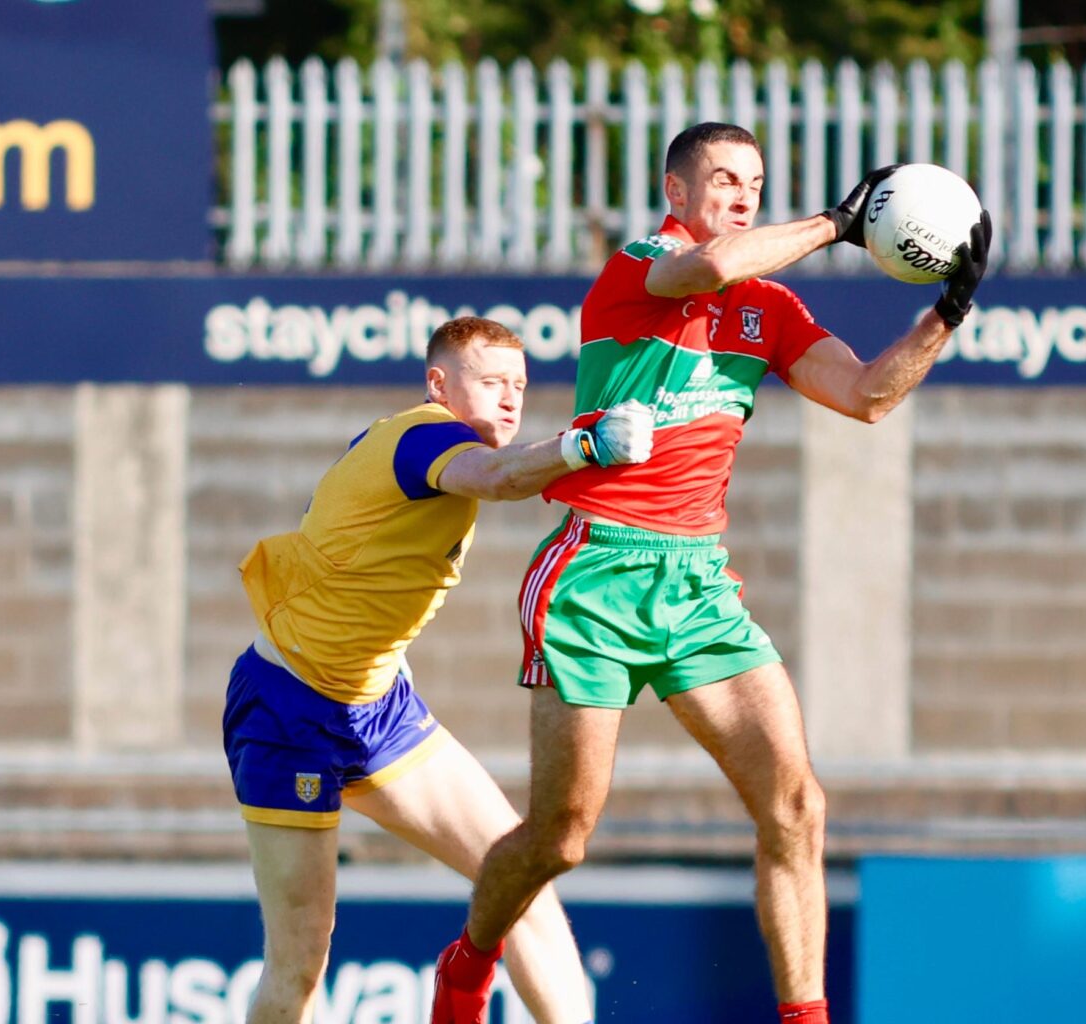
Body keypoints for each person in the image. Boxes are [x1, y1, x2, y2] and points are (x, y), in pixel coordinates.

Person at [430, 122, 991, 1024]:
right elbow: (708, 270)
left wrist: (944, 315)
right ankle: (468, 960)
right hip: (594, 575)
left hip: (697, 587)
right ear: (676, 192)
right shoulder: (641, 265)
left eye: (754, 183)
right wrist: (839, 224)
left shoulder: (770, 311)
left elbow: (867, 397)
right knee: (561, 839)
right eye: (723, 179)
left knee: (797, 805)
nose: (739, 194)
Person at [225, 316, 654, 1024]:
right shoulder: (427, 435)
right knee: (299, 963)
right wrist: (585, 445)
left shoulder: (433, 444)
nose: (512, 400)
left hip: (379, 708)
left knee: (522, 884)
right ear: (439, 385)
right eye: (491, 384)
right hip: (288, 713)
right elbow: (501, 476)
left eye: (519, 385)